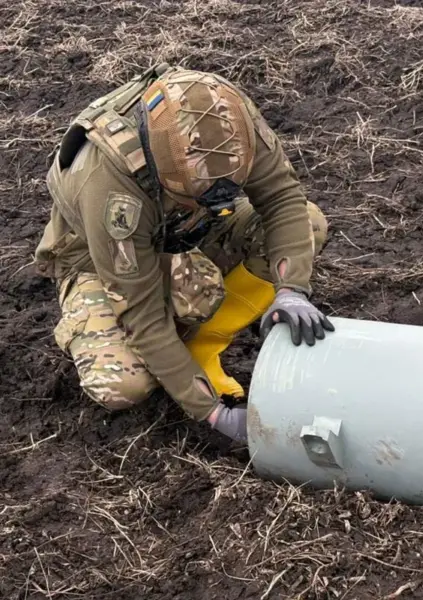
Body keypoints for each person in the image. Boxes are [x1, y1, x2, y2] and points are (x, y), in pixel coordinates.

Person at [33, 63, 334, 443]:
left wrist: (291, 289)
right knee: (122, 384)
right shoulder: (111, 186)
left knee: (307, 226)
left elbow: (282, 198)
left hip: (184, 230)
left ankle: (202, 346)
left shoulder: (227, 119)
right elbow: (140, 313)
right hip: (99, 258)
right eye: (202, 192)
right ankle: (173, 358)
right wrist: (210, 411)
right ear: (166, 172)